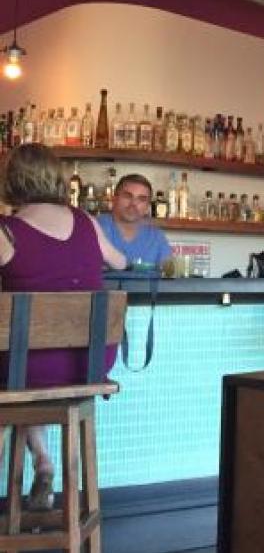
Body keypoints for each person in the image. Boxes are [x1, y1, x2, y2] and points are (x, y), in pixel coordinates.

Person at [0, 144, 126, 509]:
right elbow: (119, 263)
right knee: (22, 371)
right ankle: (43, 462)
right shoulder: (86, 221)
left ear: (12, 180)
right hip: (88, 365)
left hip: (28, 368)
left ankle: (43, 461)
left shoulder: (7, 231)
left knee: (18, 371)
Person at [97, 173, 173, 268]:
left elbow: (168, 273)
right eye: (127, 196)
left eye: (141, 199)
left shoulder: (156, 237)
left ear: (147, 207)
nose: (133, 203)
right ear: (114, 199)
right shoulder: (94, 228)